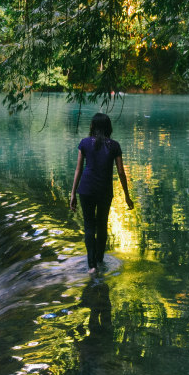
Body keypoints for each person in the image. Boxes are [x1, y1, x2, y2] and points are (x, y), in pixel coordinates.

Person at [69, 112, 134, 274]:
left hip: (86, 190)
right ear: (108, 128)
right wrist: (126, 196)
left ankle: (92, 266)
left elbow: (78, 169)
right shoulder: (114, 145)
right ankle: (100, 260)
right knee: (102, 225)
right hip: (104, 191)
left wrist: (73, 194)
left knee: (89, 226)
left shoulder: (84, 143)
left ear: (92, 126)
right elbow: (120, 172)